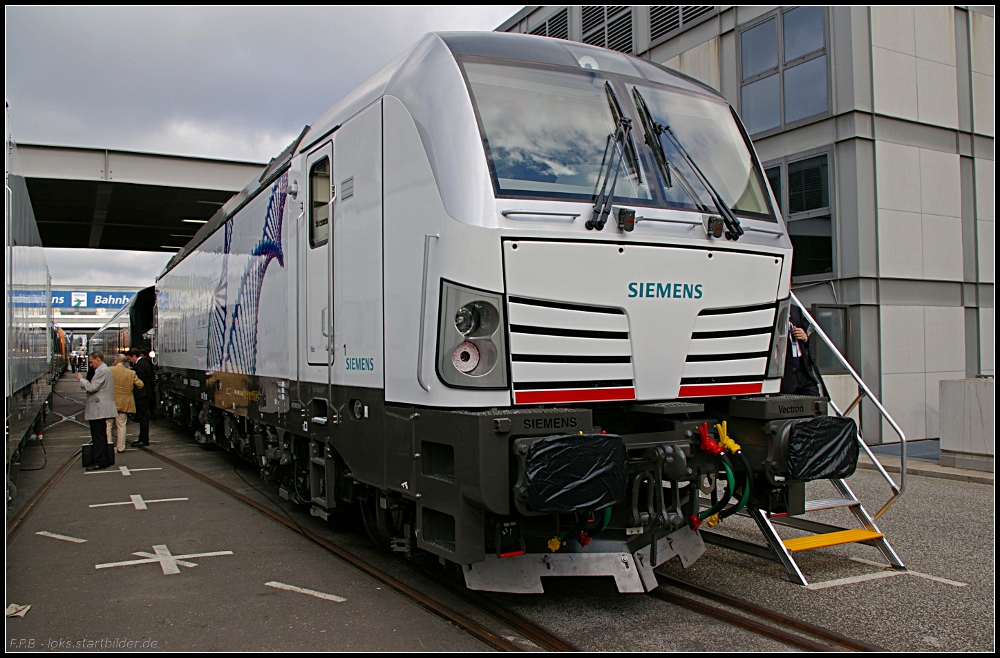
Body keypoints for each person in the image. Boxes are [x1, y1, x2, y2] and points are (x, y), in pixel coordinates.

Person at [75, 351, 117, 471]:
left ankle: (100, 461)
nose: (91, 364)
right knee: (100, 435)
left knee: (98, 435)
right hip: (100, 408)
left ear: (98, 359)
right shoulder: (103, 370)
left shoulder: (102, 371)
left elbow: (92, 387)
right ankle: (103, 459)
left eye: (91, 361)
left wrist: (81, 380)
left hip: (99, 408)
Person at [106, 353, 144, 453]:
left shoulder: (109, 370)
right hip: (124, 403)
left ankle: (108, 447)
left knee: (108, 425)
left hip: (110, 402)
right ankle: (121, 447)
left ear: (115, 361)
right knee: (121, 426)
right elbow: (140, 385)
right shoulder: (130, 373)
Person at [780, 306, 822, 397]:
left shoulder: (796, 309)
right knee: (787, 406)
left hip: (803, 370)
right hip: (786, 373)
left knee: (814, 401)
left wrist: (805, 337)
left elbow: (806, 336)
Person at [128, 347, 155, 447]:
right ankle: (143, 438)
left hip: (142, 394)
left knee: (143, 417)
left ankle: (143, 439)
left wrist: (132, 371)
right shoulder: (145, 363)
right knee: (143, 416)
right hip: (146, 393)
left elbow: (139, 378)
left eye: (130, 359)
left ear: (134, 356)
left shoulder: (140, 365)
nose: (130, 361)